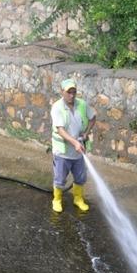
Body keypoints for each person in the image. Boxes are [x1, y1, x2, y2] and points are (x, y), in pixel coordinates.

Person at [50, 78, 96, 213]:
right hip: (62, 152)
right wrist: (75, 142)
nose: (71, 95)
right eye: (69, 92)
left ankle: (78, 199)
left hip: (78, 152)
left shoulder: (82, 104)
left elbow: (93, 117)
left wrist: (87, 132)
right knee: (60, 179)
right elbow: (60, 130)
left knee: (80, 177)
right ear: (62, 92)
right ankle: (57, 200)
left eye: (74, 92)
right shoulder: (57, 107)